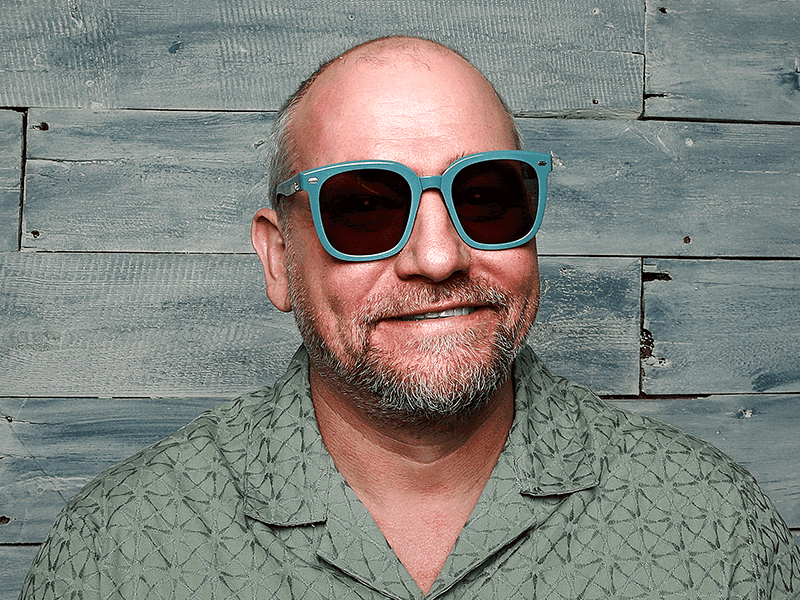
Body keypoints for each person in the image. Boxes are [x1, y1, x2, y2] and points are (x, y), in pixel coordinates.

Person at [20, 36, 800, 600]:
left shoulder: (717, 530)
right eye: (363, 209)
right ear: (278, 259)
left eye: (485, 197)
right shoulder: (113, 554)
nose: (437, 257)